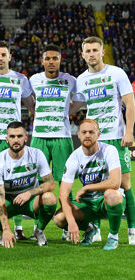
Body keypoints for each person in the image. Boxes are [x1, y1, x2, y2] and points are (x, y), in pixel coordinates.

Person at [73, 36, 135, 244]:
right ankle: (96, 228)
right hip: (94, 142)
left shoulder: (116, 73)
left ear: (102, 52)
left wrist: (129, 132)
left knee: (125, 184)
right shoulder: (81, 80)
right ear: (82, 55)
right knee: (96, 182)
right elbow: (78, 106)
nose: (91, 54)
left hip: (116, 137)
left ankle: (132, 230)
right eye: (87, 51)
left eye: (94, 50)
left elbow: (129, 102)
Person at [0, 40, 35, 241]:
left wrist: (33, 120)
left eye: (4, 54)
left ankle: (18, 228)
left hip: (13, 139)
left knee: (16, 182)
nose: (0, 58)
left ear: (10, 57)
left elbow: (30, 104)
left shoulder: (20, 79)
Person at [0, 121, 56, 248]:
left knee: (50, 198)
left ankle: (39, 231)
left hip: (31, 201)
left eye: (20, 136)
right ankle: (4, 231)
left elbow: (50, 184)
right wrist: (5, 228)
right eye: (12, 136)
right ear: (6, 139)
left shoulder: (36, 154)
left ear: (26, 138)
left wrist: (29, 193)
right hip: (9, 202)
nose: (16, 140)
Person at [29, 44, 77, 240]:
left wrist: (66, 112)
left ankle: (67, 226)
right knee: (37, 183)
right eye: (47, 58)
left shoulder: (70, 81)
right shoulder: (34, 80)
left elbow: (80, 102)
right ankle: (37, 227)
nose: (51, 62)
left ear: (60, 60)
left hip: (62, 137)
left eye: (54, 58)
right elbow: (29, 102)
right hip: (39, 137)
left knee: (66, 182)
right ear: (42, 61)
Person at [54, 119, 124, 250]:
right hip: (88, 203)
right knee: (59, 218)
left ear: (98, 135)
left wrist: (87, 187)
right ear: (78, 134)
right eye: (84, 132)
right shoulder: (74, 157)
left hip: (106, 200)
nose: (87, 135)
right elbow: (63, 195)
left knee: (112, 194)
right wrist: (71, 222)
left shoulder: (109, 150)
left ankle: (113, 237)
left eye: (91, 132)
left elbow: (115, 183)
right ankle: (90, 229)